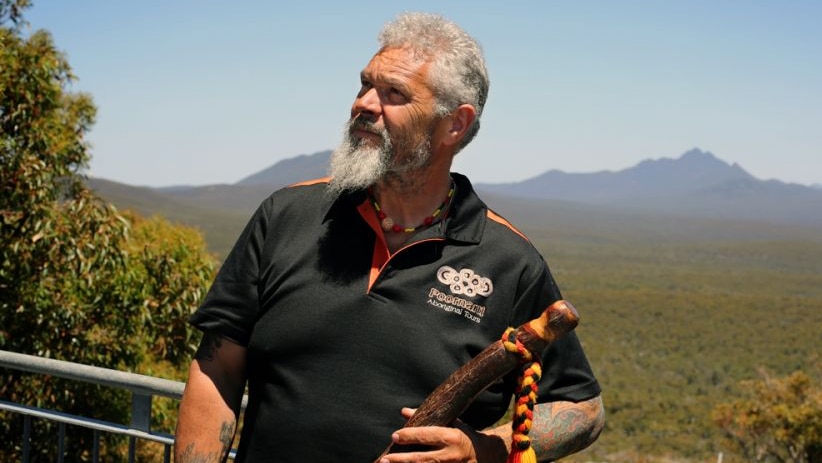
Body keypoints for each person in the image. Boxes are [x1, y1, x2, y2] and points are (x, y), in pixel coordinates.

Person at [175, 12, 604, 463]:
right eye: (365, 84)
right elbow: (216, 367)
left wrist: (483, 449)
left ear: (454, 125)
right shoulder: (287, 215)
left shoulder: (509, 261)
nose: (364, 103)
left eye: (393, 93)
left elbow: (584, 409)